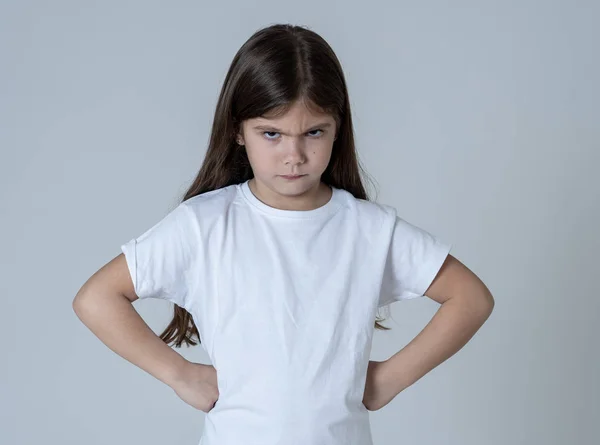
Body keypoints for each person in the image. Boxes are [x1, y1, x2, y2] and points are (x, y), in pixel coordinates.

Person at [72, 23, 494, 445]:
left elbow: (471, 297)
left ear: (337, 129)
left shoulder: (369, 229)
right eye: (271, 134)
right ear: (238, 130)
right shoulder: (204, 225)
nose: (294, 156)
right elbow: (96, 298)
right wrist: (179, 374)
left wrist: (389, 378)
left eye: (313, 132)